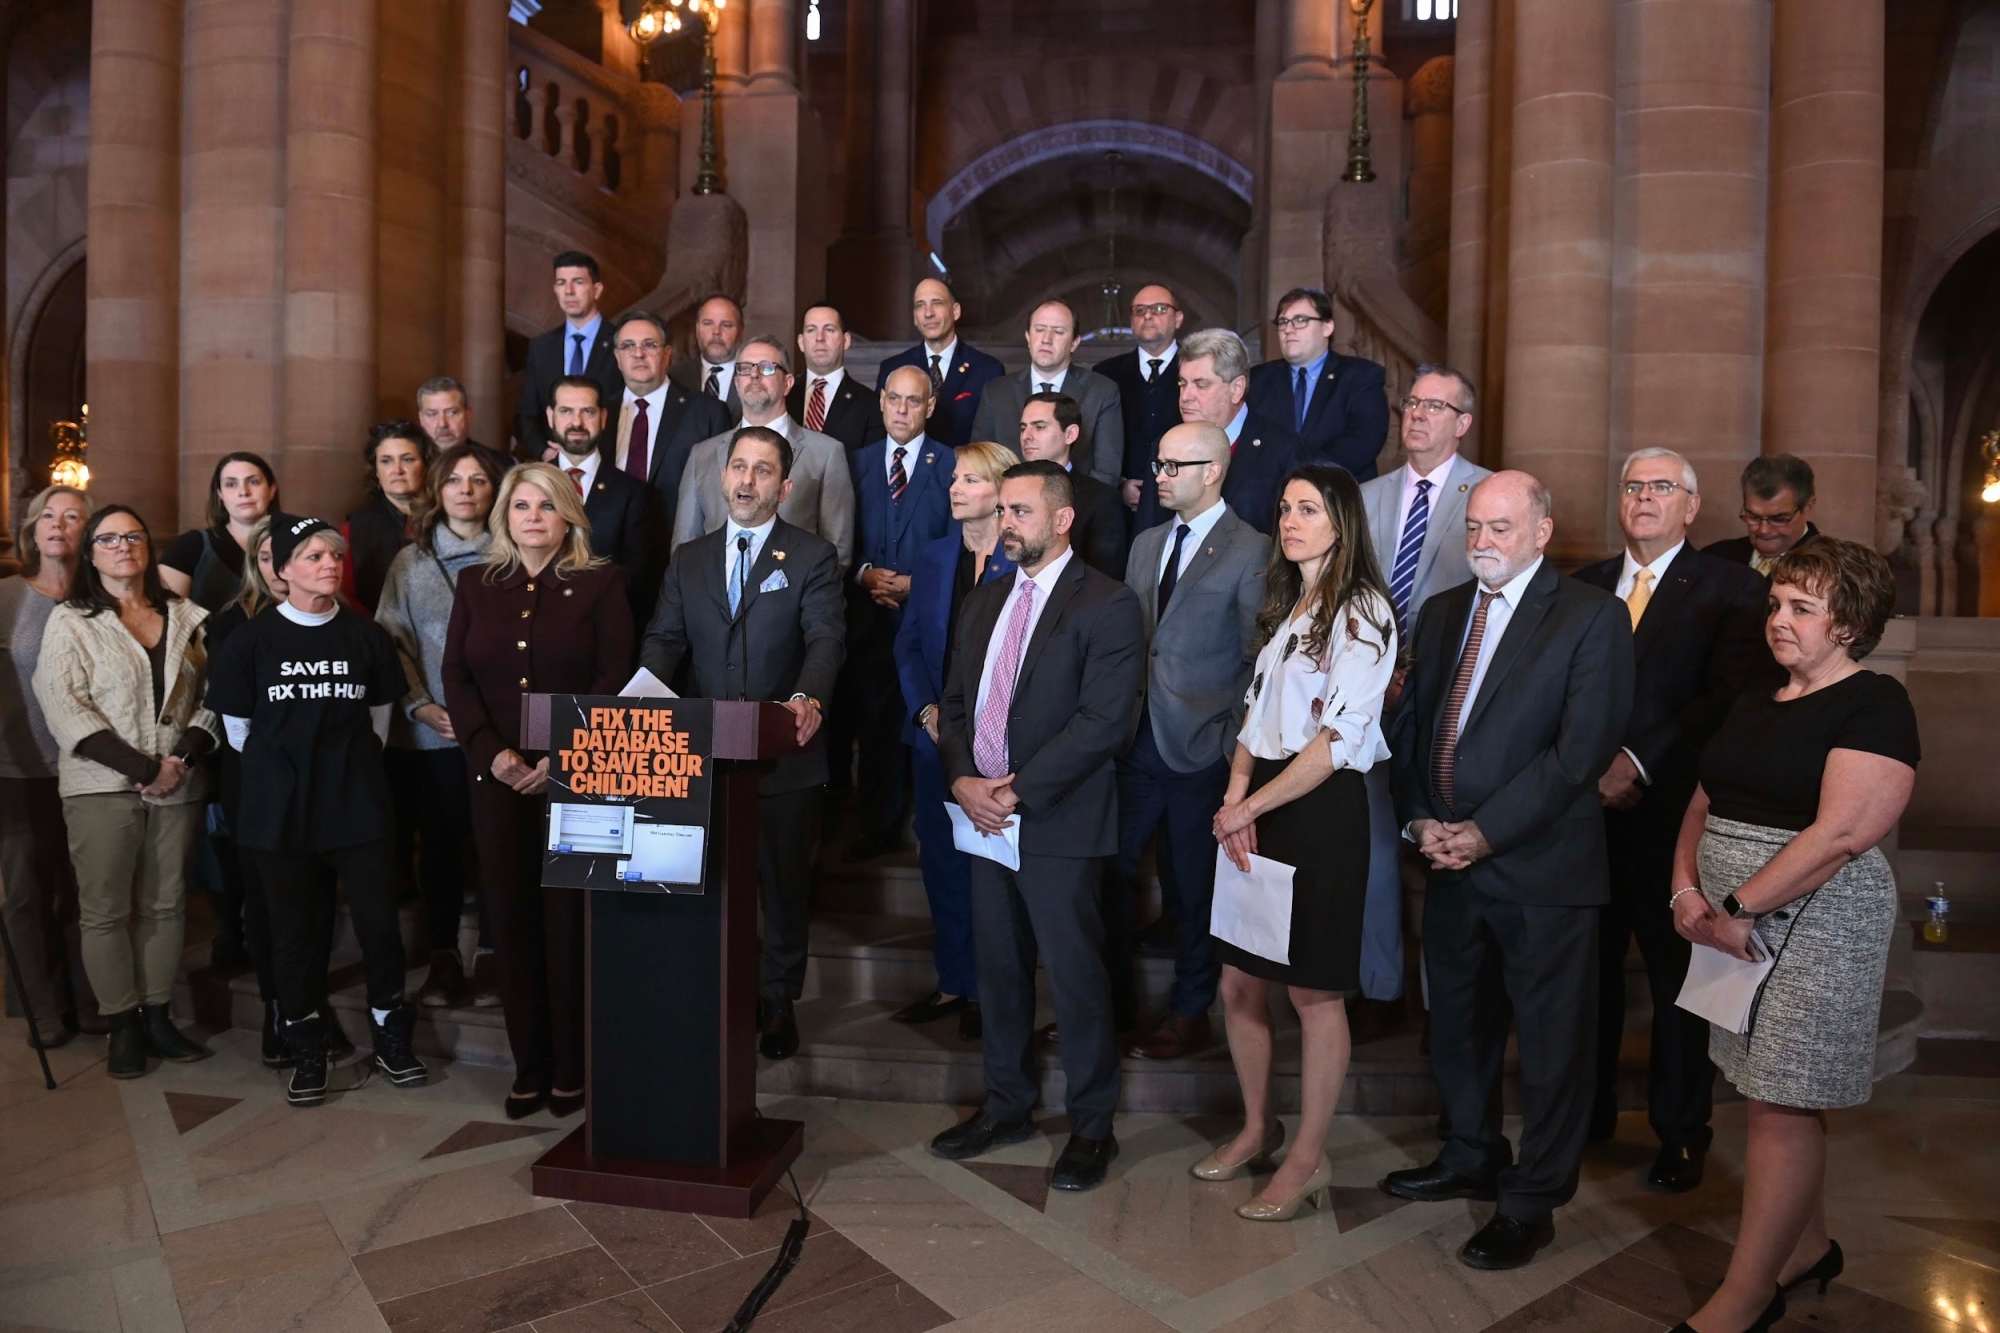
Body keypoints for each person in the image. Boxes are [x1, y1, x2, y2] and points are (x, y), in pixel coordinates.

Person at [1382, 471, 1634, 1270]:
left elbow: (1580, 752)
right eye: (1475, 527)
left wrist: (1485, 832)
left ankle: (1531, 1200)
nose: (1483, 541)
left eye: (1501, 527)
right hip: (1448, 862)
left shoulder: (1591, 616)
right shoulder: (1442, 610)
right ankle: (1470, 1153)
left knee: (1554, 1046)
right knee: (1458, 1025)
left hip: (1542, 869)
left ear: (1541, 531)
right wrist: (1421, 819)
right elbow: (1413, 730)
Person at [1667, 540, 1918, 1333]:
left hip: (1818, 921)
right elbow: (1702, 799)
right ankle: (1806, 1246)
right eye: (1776, 603)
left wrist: (1739, 904)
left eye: (1801, 607)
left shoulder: (1875, 702)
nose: (1778, 618)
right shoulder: (1757, 695)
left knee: (1782, 1101)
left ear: (1848, 623)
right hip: (1728, 919)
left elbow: (1842, 833)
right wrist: (1684, 887)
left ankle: (1746, 1297)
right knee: (1768, 1089)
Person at [929, 460, 1143, 1194]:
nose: (1006, 523)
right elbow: (955, 705)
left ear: (1062, 519)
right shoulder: (984, 600)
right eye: (1002, 509)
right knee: (998, 971)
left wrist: (1015, 791)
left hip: (1058, 819)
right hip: (982, 819)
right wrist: (963, 780)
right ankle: (1006, 1105)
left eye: (1020, 510)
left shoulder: (1108, 603)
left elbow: (1103, 723)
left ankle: (1092, 1126)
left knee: (1076, 978)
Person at [1197, 465, 1395, 1219]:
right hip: (1261, 800)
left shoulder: (1363, 611)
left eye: (1308, 509)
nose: (1290, 520)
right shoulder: (1290, 606)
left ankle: (1309, 1157)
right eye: (1284, 507)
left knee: (1312, 990)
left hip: (1321, 807)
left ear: (1343, 521)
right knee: (1238, 981)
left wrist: (1251, 805)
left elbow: (1338, 740)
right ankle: (1258, 1127)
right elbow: (1253, 719)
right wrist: (1234, 797)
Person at [1577, 448, 1774, 1192]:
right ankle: (1585, 1114)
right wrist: (1587, 769)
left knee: (1675, 982)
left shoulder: (1731, 588)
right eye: (1633, 486)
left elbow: (1724, 697)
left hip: (1675, 821)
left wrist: (1636, 761)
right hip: (1582, 817)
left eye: (1663, 487)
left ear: (1691, 506)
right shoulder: (1583, 586)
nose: (1645, 497)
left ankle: (1682, 1132)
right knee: (1585, 977)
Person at [206, 514, 427, 1106]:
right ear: (281, 570)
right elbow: (238, 731)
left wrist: (341, 769)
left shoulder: (366, 637)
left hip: (357, 804)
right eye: (313, 556)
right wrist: (291, 771)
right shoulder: (250, 640)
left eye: (334, 556)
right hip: (280, 810)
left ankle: (390, 1037)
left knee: (379, 928)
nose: (329, 565)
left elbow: (379, 720)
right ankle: (305, 1043)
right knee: (294, 934)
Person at [640, 426, 845, 1061]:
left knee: (783, 888)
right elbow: (665, 640)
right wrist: (641, 699)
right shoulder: (689, 558)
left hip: (784, 754)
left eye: (763, 470)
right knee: (711, 885)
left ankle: (778, 998)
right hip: (702, 757)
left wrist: (808, 697)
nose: (747, 480)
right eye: (738, 467)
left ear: (784, 486)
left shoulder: (811, 555)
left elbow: (826, 637)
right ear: (722, 476)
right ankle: (724, 990)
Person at [444, 463, 633, 1117]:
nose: (533, 517)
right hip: (497, 781)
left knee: (571, 926)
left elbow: (615, 676)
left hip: (579, 784)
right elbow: (456, 677)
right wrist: (489, 752)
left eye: (546, 506)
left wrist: (568, 756)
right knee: (512, 920)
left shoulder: (602, 583)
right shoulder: (475, 584)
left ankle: (574, 1067)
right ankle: (530, 1065)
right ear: (504, 515)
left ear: (568, 517)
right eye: (521, 505)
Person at [34, 505, 220, 1078]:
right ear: (90, 552)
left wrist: (179, 759)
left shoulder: (188, 615)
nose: (122, 547)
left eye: (133, 536)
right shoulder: (71, 620)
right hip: (100, 784)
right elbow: (63, 704)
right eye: (109, 539)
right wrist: (142, 768)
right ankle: (122, 1026)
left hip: (178, 779)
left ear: (147, 547)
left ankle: (158, 1017)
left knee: (166, 904)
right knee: (105, 911)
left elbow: (213, 697)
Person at [1115, 423, 1268, 1062]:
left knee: (1199, 887)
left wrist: (1229, 747)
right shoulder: (1146, 543)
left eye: (1175, 465)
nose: (1161, 474)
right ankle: (1110, 1008)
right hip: (1134, 742)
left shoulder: (1252, 549)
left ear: (1213, 471)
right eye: (1159, 462)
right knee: (1108, 874)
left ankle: (1189, 1011)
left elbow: (1258, 662)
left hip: (1201, 751)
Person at [1353, 366, 1493, 1042]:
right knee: (1374, 850)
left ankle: (1448, 1007)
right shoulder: (1366, 497)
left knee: (1448, 852)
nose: (1417, 414)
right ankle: (1379, 989)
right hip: (1369, 700)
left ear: (1462, 422)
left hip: (1452, 701)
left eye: (1435, 405)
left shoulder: (1489, 494)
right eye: (1411, 402)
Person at [203, 516, 354, 1068]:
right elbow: (234, 718)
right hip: (254, 781)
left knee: (316, 897)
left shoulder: (335, 621)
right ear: (259, 566)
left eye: (281, 556)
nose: (275, 567)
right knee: (269, 901)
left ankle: (309, 1004)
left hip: (323, 784)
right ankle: (278, 1008)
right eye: (265, 558)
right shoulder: (233, 625)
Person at [889, 441, 1019, 1039]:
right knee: (941, 862)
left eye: (970, 479)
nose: (955, 488)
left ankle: (990, 991)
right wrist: (925, 711)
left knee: (989, 873)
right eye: (955, 478)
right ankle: (954, 981)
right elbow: (910, 644)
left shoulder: (1021, 558)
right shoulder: (935, 555)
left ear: (1000, 490)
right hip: (933, 739)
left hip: (997, 746)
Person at [375, 442, 506, 1009]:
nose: (466, 490)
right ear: (438, 490)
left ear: (495, 491)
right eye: (455, 480)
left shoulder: (515, 554)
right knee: (442, 845)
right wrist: (419, 705)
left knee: (500, 843)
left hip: (500, 729)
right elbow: (391, 641)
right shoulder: (411, 562)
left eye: (478, 480)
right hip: (435, 729)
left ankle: (496, 953)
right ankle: (444, 956)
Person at [838, 366, 955, 859]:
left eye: (913, 400)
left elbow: (958, 542)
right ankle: (878, 828)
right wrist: (865, 573)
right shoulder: (855, 463)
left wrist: (916, 584)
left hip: (930, 620)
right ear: (882, 402)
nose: (902, 409)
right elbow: (839, 534)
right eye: (894, 399)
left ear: (930, 406)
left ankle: (933, 831)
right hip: (868, 621)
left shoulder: (950, 463)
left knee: (930, 723)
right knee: (875, 727)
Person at [0, 485, 98, 1047]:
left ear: (88, 531)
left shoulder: (100, 597)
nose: (59, 525)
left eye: (73, 516)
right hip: (19, 766)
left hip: (88, 766)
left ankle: (86, 999)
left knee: (85, 891)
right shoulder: (7, 597)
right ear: (33, 530)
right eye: (48, 516)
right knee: (26, 893)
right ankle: (40, 1007)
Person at [671, 337, 857, 573]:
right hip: (711, 593)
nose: (754, 375)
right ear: (736, 383)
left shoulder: (827, 453)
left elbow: (837, 553)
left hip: (796, 592)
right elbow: (684, 547)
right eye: (745, 368)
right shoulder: (702, 454)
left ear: (788, 383)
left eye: (767, 368)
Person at [543, 372, 668, 626]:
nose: (576, 422)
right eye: (566, 411)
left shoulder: (634, 494)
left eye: (587, 412)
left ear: (603, 418)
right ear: (550, 416)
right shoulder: (528, 487)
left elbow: (640, 579)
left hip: (605, 627)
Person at [602, 309, 734, 543]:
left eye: (649, 345)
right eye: (628, 346)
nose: (639, 353)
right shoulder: (600, 414)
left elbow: (720, 496)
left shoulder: (707, 412)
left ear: (667, 353)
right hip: (610, 552)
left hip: (680, 549)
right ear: (617, 356)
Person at [970, 298, 1125, 484]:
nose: (1046, 339)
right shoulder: (996, 392)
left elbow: (1106, 472)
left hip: (1079, 500)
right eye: (1039, 329)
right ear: (1028, 337)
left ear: (1074, 342)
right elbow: (980, 463)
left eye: (1058, 331)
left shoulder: (1101, 391)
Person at [1247, 287, 1389, 480]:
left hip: (1339, 491)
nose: (1288, 329)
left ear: (1327, 327)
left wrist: (1301, 471)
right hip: (1272, 494)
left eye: (1300, 320)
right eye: (1283, 322)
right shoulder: (1258, 379)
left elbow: (1364, 439)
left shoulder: (1361, 376)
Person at [1177, 329, 1302, 537]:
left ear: (1236, 389)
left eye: (1201, 385)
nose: (1185, 396)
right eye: (1182, 383)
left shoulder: (1283, 451)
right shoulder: (1165, 447)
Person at [1096, 284, 1187, 529]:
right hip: (1119, 513)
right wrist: (1119, 484)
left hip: (1182, 506)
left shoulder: (1197, 370)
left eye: (1159, 309)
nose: (1147, 315)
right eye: (1140, 310)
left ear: (1178, 318)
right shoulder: (1106, 374)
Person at [876, 277, 1005, 447]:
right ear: (915, 317)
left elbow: (994, 443)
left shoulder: (988, 370)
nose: (928, 313)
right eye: (920, 305)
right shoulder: (893, 368)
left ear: (955, 311)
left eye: (936, 303)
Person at [516, 250, 623, 452]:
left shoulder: (622, 342)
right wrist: (544, 452)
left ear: (597, 290)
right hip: (554, 465)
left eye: (578, 282)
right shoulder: (540, 347)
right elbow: (527, 415)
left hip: (609, 460)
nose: (569, 291)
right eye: (561, 283)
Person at [1019, 392, 1127, 578]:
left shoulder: (1100, 499)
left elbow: (1105, 577)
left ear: (1070, 434)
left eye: (1040, 427)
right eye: (1023, 428)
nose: (1026, 436)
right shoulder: (1007, 491)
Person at [160, 451, 280, 610]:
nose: (243, 492)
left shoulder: (298, 541)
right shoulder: (189, 546)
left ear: (272, 490)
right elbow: (167, 616)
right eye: (231, 484)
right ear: (220, 494)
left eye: (253, 482)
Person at [342, 420, 434, 615]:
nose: (397, 470)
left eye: (408, 459)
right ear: (376, 471)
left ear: (425, 465)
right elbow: (346, 594)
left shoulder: (447, 520)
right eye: (386, 461)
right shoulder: (355, 527)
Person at [1704, 454, 1823, 577]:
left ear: (1807, 508)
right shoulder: (1714, 558)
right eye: (1753, 517)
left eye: (1778, 519)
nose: (1763, 530)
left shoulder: (1828, 567)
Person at [789, 302, 884, 451]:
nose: (820, 337)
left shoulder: (870, 404)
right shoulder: (784, 397)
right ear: (801, 342)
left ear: (846, 341)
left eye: (829, 330)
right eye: (811, 330)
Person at [667, 293, 746, 421]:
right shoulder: (674, 378)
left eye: (726, 325)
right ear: (697, 329)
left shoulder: (755, 377)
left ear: (741, 333)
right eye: (708, 323)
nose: (716, 332)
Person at [416, 376, 497, 458]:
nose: (442, 424)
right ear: (421, 418)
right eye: (432, 414)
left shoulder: (495, 462)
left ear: (468, 415)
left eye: (452, 412)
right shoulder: (412, 462)